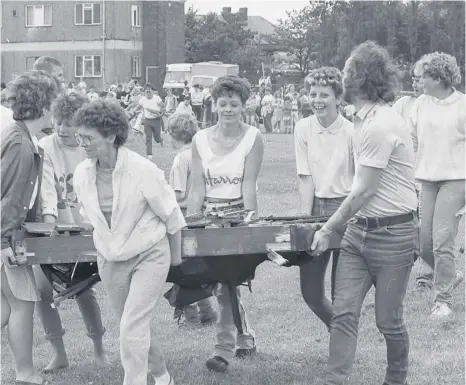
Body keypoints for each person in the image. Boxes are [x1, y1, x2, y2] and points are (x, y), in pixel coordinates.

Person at [311, 41, 418, 385]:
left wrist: (327, 227)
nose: (342, 75)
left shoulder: (377, 125)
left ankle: (396, 378)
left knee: (387, 321)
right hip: (359, 234)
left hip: (394, 237)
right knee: (343, 312)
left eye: (346, 69)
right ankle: (335, 379)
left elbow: (364, 190)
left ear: (358, 76)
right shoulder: (360, 120)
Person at [73, 99, 185, 385]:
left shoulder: (143, 170)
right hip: (110, 260)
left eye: (88, 138)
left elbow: (171, 214)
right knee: (132, 326)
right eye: (79, 137)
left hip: (150, 255)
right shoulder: (82, 174)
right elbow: (89, 215)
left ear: (111, 136)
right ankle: (163, 377)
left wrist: (174, 259)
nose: (82, 143)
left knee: (131, 328)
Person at [187, 75, 264, 373]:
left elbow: (249, 184)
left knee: (229, 282)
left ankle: (222, 350)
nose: (228, 109)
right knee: (223, 285)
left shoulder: (253, 137)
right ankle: (245, 337)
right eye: (223, 103)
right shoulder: (199, 139)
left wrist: (249, 220)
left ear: (244, 106)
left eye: (234, 104)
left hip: (236, 217)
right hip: (208, 218)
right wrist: (193, 224)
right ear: (214, 104)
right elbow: (196, 188)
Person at [34, 93, 110, 372]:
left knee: (83, 290)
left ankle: (99, 349)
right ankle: (58, 352)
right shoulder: (44, 146)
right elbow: (45, 190)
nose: (62, 129)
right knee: (42, 292)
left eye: (69, 123)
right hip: (52, 228)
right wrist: (49, 225)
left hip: (86, 229)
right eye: (58, 122)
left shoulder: (90, 147)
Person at [1, 70, 58, 385]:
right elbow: (7, 197)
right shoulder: (20, 142)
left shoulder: (21, 136)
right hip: (6, 237)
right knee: (21, 304)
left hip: (8, 234)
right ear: (44, 106)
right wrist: (4, 243)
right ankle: (25, 373)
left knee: (5, 306)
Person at [294, 66, 354, 334]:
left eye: (324, 95)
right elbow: (305, 177)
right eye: (312, 94)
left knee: (342, 290)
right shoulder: (303, 128)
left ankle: (342, 342)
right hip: (316, 209)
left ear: (338, 98)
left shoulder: (353, 131)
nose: (316, 100)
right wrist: (306, 221)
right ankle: (340, 330)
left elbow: (361, 183)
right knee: (310, 292)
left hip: (347, 210)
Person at [409, 51, 465, 318]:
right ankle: (451, 273)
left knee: (443, 242)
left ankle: (442, 301)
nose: (417, 82)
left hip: (456, 180)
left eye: (422, 77)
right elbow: (413, 140)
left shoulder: (462, 106)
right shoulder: (420, 103)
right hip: (426, 180)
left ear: (439, 77)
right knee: (423, 244)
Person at [167, 113, 218, 325]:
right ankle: (207, 311)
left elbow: (178, 194)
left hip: (183, 218)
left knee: (180, 269)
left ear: (173, 135)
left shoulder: (181, 159)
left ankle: (191, 316)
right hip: (201, 216)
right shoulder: (201, 155)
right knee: (195, 267)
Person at [137, 83, 164, 159]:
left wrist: (160, 113)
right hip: (147, 121)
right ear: (145, 92)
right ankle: (149, 154)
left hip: (156, 120)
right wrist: (134, 111)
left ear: (152, 91)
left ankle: (160, 140)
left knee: (157, 139)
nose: (148, 93)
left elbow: (163, 106)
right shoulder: (142, 100)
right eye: (147, 91)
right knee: (148, 138)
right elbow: (138, 107)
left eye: (149, 91)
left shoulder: (157, 98)